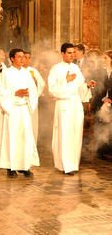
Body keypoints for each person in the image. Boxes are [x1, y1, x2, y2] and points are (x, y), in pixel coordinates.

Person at [48, 43, 95, 175]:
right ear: (62, 54)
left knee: (76, 134)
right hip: (63, 104)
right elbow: (52, 90)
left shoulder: (75, 68)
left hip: (75, 104)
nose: (72, 55)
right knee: (65, 134)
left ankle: (73, 164)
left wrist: (87, 86)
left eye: (73, 53)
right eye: (69, 53)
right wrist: (65, 80)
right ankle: (64, 165)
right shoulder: (55, 69)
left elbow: (80, 87)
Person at [0, 48, 39, 178]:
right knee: (12, 138)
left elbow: (34, 91)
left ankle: (25, 166)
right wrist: (15, 93)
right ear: (12, 58)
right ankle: (11, 167)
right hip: (12, 110)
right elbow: (0, 93)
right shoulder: (6, 73)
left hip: (24, 109)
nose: (22, 59)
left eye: (23, 57)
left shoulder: (27, 74)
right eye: (19, 57)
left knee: (25, 138)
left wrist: (28, 94)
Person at [23, 51, 45, 143]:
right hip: (21, 101)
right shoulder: (16, 71)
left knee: (32, 123)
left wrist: (35, 83)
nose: (27, 60)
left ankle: (32, 144)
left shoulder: (34, 71)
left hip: (31, 100)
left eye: (29, 58)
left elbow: (42, 84)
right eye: (25, 57)